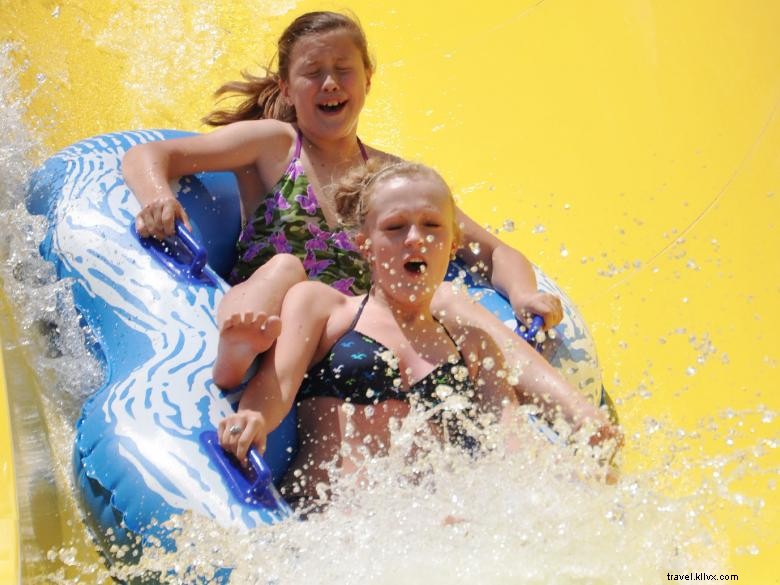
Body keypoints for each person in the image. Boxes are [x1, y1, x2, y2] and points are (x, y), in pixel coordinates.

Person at [121, 10, 563, 391]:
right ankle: (236, 352)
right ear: (288, 88)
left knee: (441, 300)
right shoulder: (274, 144)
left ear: (368, 79)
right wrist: (157, 198)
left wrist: (524, 295)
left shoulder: (390, 179)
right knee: (287, 268)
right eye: (313, 72)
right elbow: (152, 155)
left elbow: (493, 250)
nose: (330, 83)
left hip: (346, 338)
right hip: (268, 319)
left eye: (344, 69)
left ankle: (556, 410)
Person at [217, 161, 620, 510]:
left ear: (453, 243)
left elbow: (509, 446)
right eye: (394, 227)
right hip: (339, 522)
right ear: (365, 246)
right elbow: (277, 385)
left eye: (432, 225)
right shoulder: (323, 309)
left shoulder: (471, 343)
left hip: (436, 530)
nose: (415, 238)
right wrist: (253, 417)